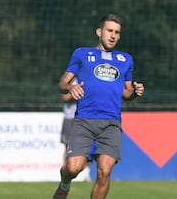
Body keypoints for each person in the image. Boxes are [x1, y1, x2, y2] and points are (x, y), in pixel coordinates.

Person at [53, 13, 144, 199]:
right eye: (109, 31)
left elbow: (126, 93)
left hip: (111, 123)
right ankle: (65, 183)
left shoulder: (125, 59)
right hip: (84, 121)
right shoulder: (82, 54)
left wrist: (135, 91)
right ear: (99, 32)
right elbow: (62, 85)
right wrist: (71, 87)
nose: (113, 36)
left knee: (104, 171)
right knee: (73, 167)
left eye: (117, 32)